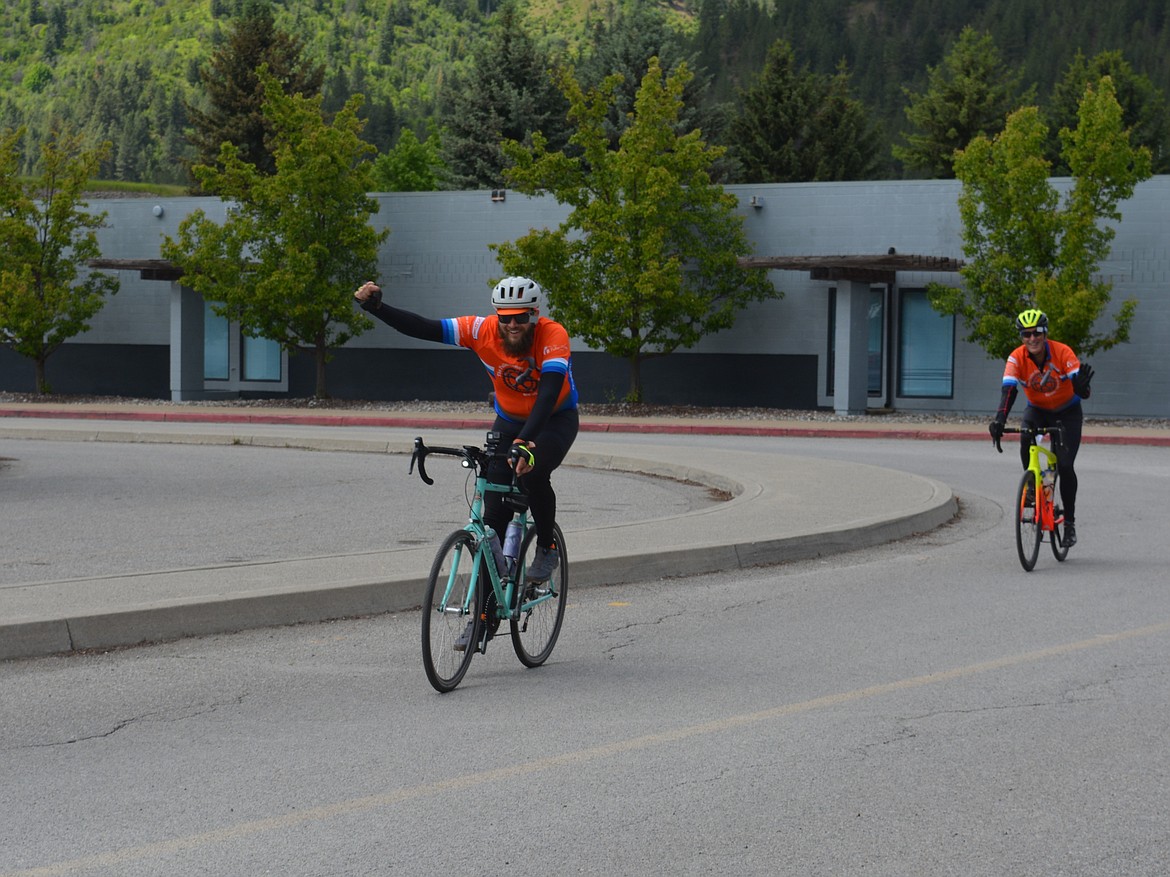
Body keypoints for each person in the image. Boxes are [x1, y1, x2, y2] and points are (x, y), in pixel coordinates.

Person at [354, 275, 579, 590]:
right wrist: (378, 309)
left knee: (533, 472)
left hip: (555, 418)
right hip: (510, 419)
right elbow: (424, 327)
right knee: (492, 524)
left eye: (521, 317)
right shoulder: (480, 330)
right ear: (496, 315)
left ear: (534, 314)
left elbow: (548, 392)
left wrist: (526, 443)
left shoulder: (552, 334)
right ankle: (481, 623)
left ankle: (546, 547)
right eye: (505, 318)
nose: (512, 325)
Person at [989, 308, 1094, 547]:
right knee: (1026, 435)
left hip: (1067, 412)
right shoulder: (1016, 358)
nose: (1032, 339)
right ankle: (1032, 484)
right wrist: (999, 420)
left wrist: (1082, 389)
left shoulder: (1062, 351)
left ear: (1045, 333)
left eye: (1037, 333)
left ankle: (1069, 524)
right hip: (1037, 409)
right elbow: (1009, 390)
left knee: (1065, 466)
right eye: (1026, 335)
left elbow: (1081, 386)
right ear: (1021, 337)